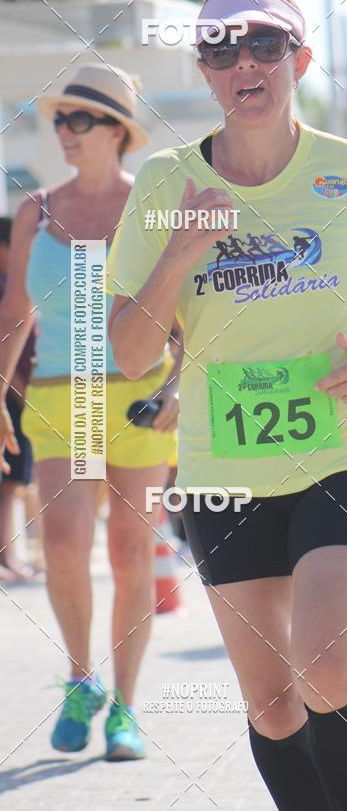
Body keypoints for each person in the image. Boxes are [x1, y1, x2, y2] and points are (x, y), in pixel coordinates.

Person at [107, 0, 347, 809]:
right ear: (206, 72)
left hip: (344, 454)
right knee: (272, 701)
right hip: (223, 471)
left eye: (264, 43)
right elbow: (132, 355)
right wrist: (181, 251)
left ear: (301, 58)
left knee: (325, 670)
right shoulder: (163, 184)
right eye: (220, 47)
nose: (241, 60)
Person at [0, 64, 178, 761]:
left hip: (137, 396)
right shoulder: (34, 210)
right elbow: (17, 313)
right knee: (67, 546)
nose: (64, 132)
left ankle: (126, 710)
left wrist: (180, 389)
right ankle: (81, 679)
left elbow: (192, 314)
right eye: (59, 121)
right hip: (58, 395)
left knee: (132, 553)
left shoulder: (150, 208)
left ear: (117, 131)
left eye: (79, 120)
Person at [0, 218, 41, 584]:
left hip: (23, 396)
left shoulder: (20, 284)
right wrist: (14, 390)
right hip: (10, 398)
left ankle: (11, 556)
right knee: (9, 480)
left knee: (15, 482)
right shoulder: (4, 289)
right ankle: (9, 557)